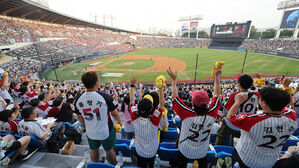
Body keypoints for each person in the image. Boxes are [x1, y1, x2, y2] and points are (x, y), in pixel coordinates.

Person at [227, 87, 297, 168]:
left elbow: (230, 116)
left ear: (264, 103)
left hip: (246, 160)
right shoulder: (292, 117)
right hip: (270, 161)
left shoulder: (253, 120)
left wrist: (238, 101)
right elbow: (287, 108)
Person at [167, 67, 221, 168]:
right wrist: (217, 77)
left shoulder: (187, 113)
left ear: (193, 103)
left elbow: (174, 97)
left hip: (185, 150)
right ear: (207, 103)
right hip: (202, 151)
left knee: (181, 164)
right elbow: (217, 95)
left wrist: (174, 81)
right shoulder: (212, 113)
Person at [75, 71, 122, 164]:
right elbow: (115, 113)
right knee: (109, 149)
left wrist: (84, 125)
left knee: (93, 149)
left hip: (90, 131)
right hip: (105, 130)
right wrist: (120, 121)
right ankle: (114, 165)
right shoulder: (104, 96)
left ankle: (95, 164)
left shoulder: (79, 98)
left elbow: (79, 116)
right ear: (97, 82)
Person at [128, 76, 163, 168]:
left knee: (141, 165)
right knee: (151, 165)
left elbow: (131, 101)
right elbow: (161, 105)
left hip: (140, 150)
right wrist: (160, 89)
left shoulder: (134, 117)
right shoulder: (154, 119)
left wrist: (132, 86)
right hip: (152, 150)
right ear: (152, 109)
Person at [215, 74, 260, 146]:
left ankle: (216, 152)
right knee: (237, 142)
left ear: (239, 84)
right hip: (244, 124)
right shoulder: (256, 95)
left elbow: (226, 112)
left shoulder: (234, 95)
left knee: (221, 137)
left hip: (231, 123)